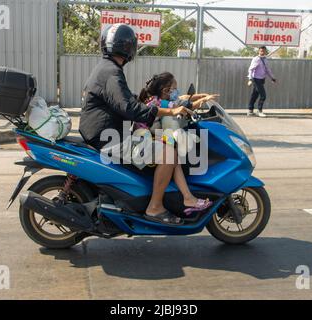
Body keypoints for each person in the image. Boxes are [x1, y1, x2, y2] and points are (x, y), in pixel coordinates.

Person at [79, 24, 205, 225]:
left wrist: (156, 105)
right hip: (109, 137)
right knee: (169, 153)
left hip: (106, 132)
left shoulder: (107, 69)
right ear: (129, 47)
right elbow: (129, 108)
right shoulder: (111, 72)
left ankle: (176, 196)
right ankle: (155, 208)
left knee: (162, 144)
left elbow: (126, 101)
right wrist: (168, 111)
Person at [137, 72, 217, 215]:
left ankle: (188, 197)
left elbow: (184, 98)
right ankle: (187, 197)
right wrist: (202, 101)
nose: (177, 91)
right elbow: (187, 106)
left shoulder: (155, 99)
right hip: (145, 139)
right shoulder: (161, 103)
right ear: (166, 91)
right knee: (174, 155)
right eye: (174, 88)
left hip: (152, 136)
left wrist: (205, 96)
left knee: (174, 158)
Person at [247, 46, 277, 118]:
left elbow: (267, 70)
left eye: (263, 51)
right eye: (261, 51)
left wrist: (272, 78)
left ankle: (250, 110)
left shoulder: (265, 59)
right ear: (259, 51)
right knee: (263, 96)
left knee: (255, 95)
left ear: (265, 51)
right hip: (256, 80)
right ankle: (259, 111)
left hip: (262, 79)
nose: (262, 52)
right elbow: (250, 69)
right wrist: (250, 79)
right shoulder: (256, 59)